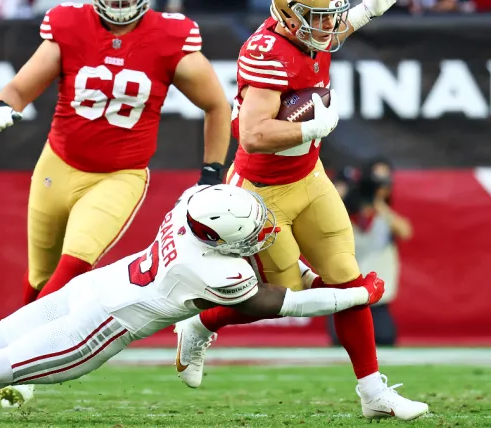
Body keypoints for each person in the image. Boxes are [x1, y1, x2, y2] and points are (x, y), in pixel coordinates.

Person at [0, 184, 386, 416]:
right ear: (221, 236)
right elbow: (278, 304)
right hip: (102, 323)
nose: (261, 233)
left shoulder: (192, 205)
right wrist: (354, 293)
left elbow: (266, 269)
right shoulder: (217, 267)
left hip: (90, 288)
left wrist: (316, 277)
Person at [170, 0, 429, 421]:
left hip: (309, 178)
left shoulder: (312, 29)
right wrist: (311, 127)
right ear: (289, 16)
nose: (328, 26)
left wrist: (371, 8)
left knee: (346, 277)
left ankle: (372, 391)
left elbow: (339, 24)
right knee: (283, 295)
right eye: (318, 18)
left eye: (329, 16)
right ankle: (200, 324)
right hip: (262, 193)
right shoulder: (267, 51)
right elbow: (253, 135)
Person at [0, 0, 231, 307]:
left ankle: (12, 344)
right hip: (57, 165)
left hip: (118, 176)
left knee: (73, 266)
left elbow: (216, 105)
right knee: (40, 277)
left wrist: (211, 173)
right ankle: (25, 349)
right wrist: (3, 105)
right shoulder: (70, 24)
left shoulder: (169, 36)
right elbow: (20, 88)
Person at [328, 158, 412, 346]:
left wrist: (378, 202)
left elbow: (405, 231)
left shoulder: (383, 216)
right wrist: (339, 200)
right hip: (345, 296)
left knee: (383, 339)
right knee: (342, 343)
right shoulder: (343, 216)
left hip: (377, 298)